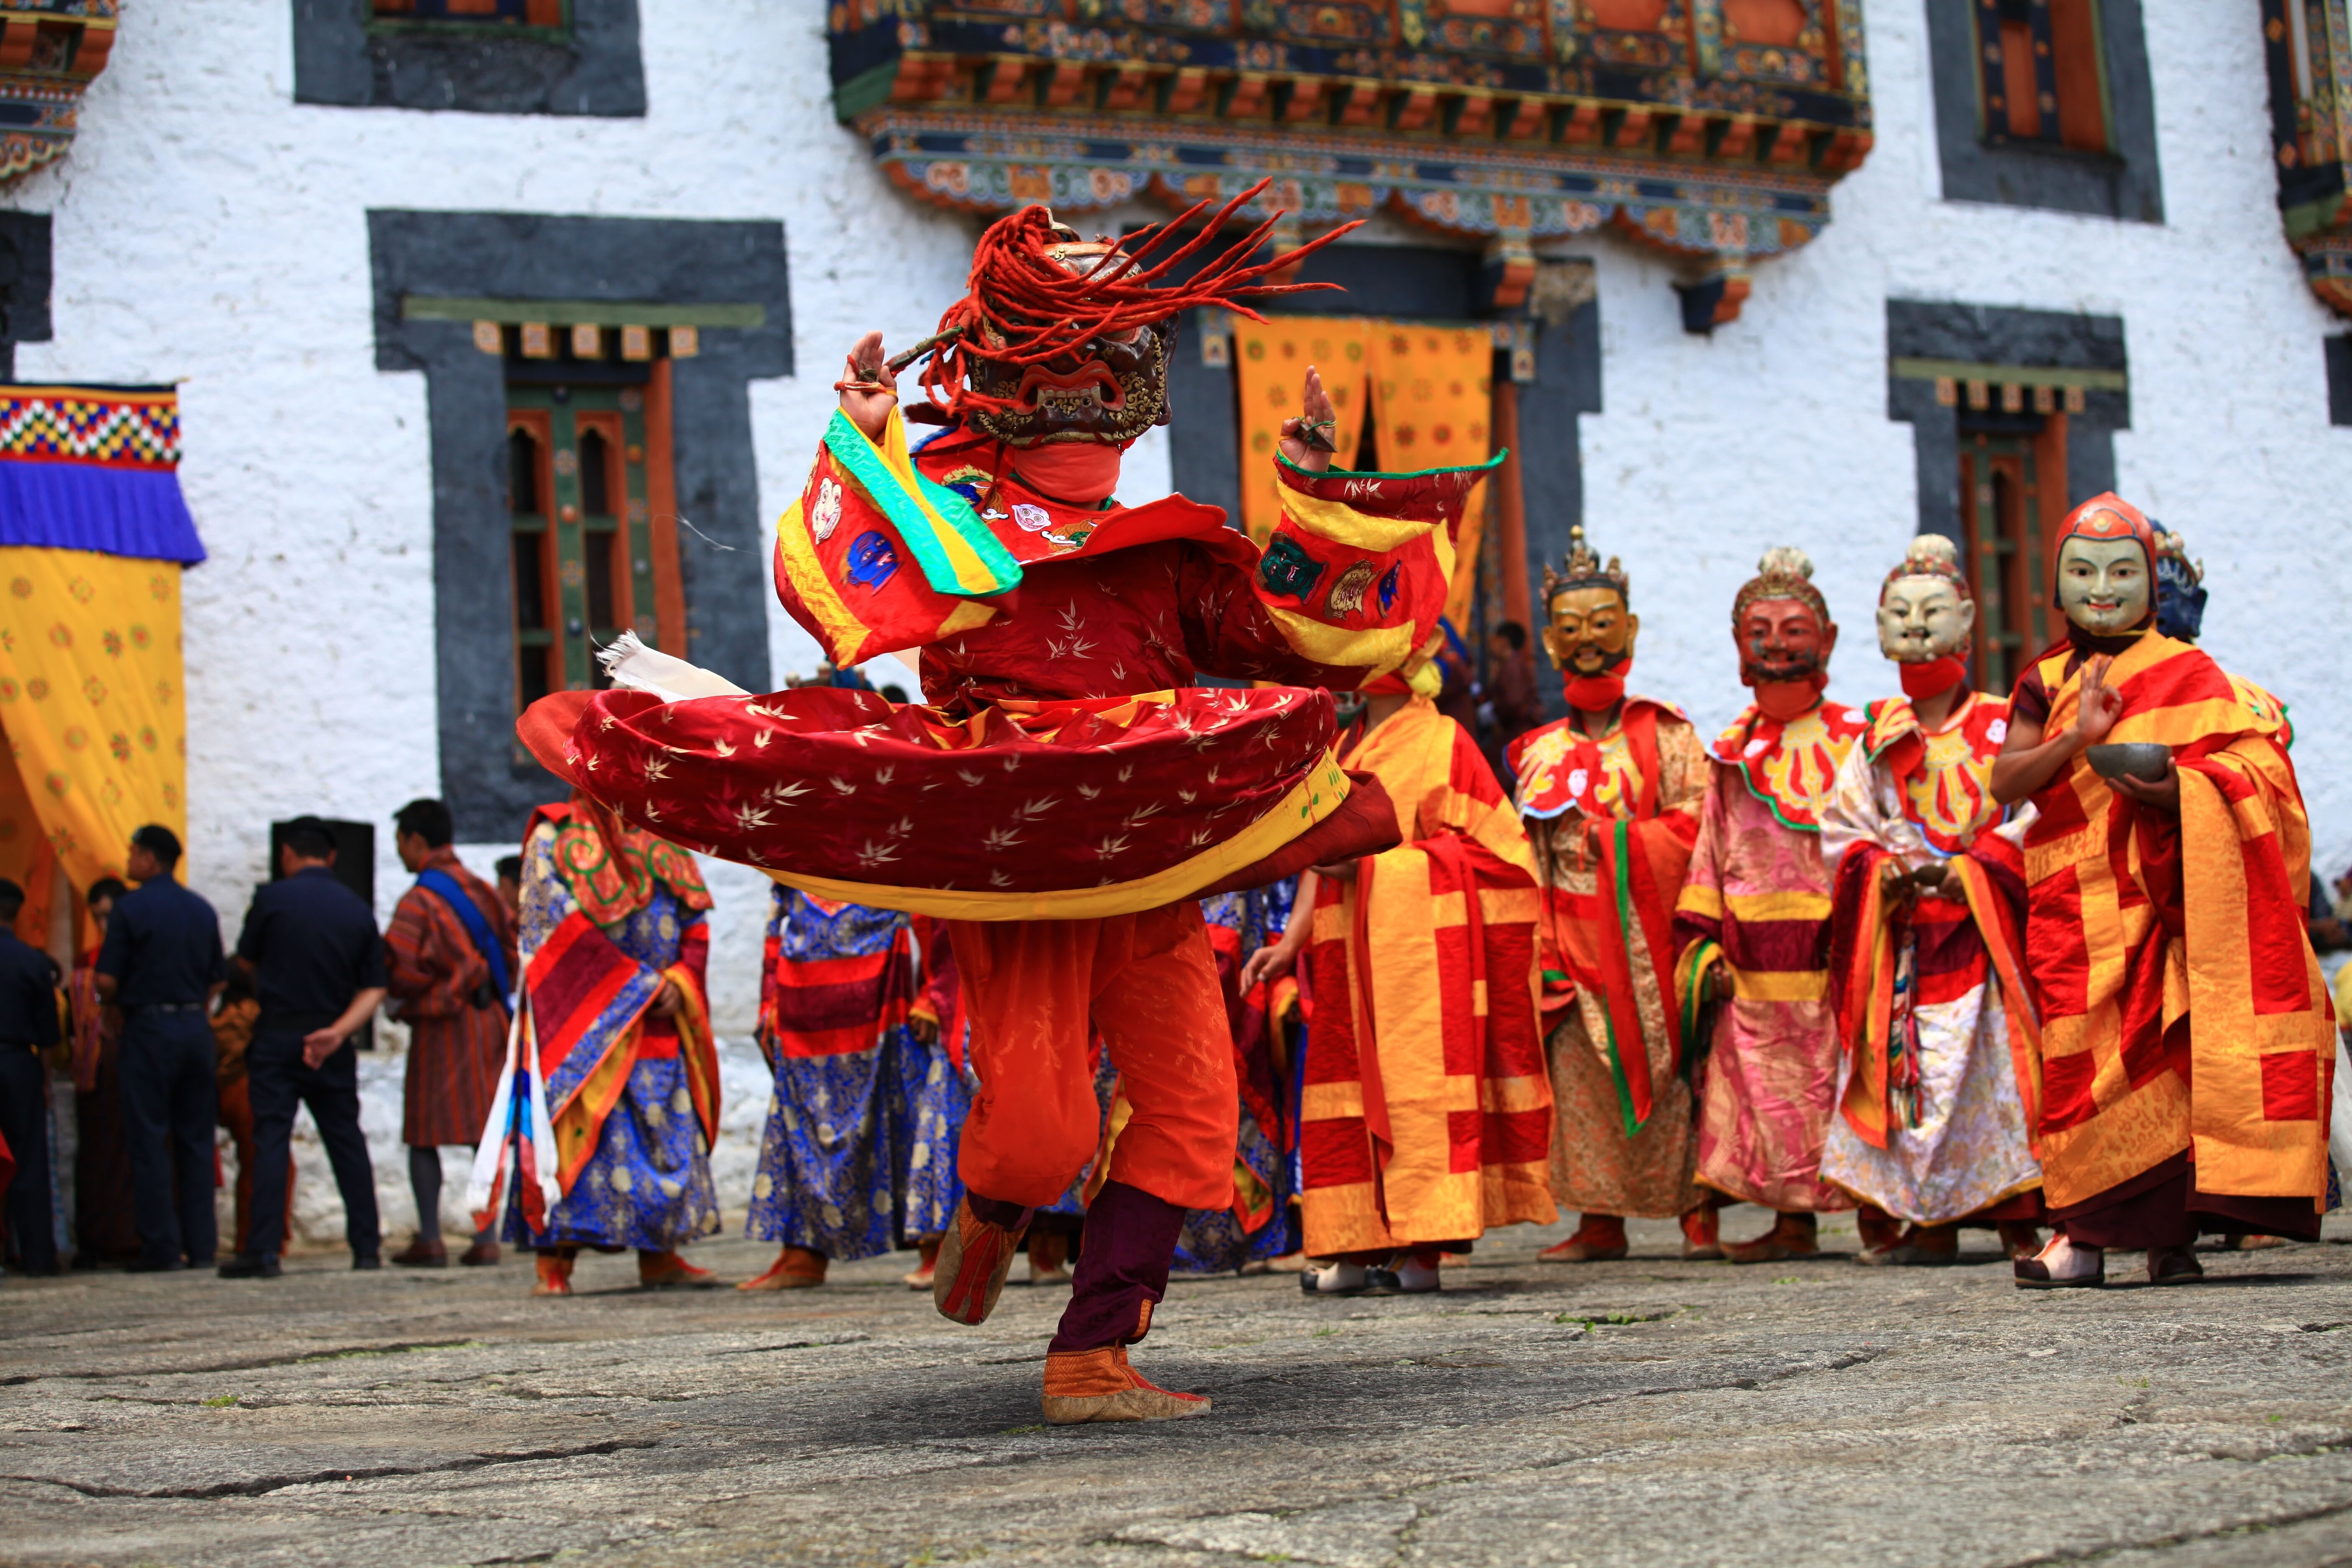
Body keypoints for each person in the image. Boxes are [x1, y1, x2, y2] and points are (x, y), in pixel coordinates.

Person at [513, 191, 1487, 1424]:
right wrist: (866, 440)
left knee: (1195, 1112)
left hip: (1148, 839)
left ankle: (1091, 1358)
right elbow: (872, 600)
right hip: (1018, 831)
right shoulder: (952, 511)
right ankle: (990, 1209)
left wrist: (1317, 491)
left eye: (1112, 323)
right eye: (1080, 318)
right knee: (1036, 1131)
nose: (1100, 353)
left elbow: (1296, 635)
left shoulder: (1169, 544)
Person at [1991, 495, 2332, 1287]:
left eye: (2121, 571)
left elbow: (2262, 775)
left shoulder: (2189, 671)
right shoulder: (2044, 678)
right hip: (2072, 900)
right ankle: (2079, 1236)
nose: (2100, 588)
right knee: (2078, 1068)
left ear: (2149, 583)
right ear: (2056, 582)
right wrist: (2078, 735)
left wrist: (2183, 789)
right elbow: (2006, 778)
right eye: (2081, 571)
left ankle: (2170, 1242)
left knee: (2176, 1056)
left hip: (2168, 893)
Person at [1245, 673, 1553, 1295]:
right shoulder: (1344, 745)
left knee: (1419, 1100)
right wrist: (1293, 939)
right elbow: (1321, 855)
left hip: (1420, 964)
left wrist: (1375, 868)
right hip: (1344, 955)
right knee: (1346, 1097)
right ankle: (1354, 1252)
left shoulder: (1444, 740)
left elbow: (1501, 860)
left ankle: (1422, 1255)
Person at [1818, 535, 2044, 1265]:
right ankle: (1930, 1216)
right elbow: (1843, 826)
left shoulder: (2002, 720)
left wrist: (1977, 865)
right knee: (1912, 1077)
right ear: (1880, 629)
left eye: (1933, 610)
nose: (1916, 626)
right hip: (1910, 942)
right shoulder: (1876, 736)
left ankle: (2016, 1213)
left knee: (1997, 1077)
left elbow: (2037, 813)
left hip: (1988, 934)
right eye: (1900, 613)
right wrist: (1881, 868)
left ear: (1969, 620)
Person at [1505, 527, 1716, 1264]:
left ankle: (1695, 1213)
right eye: (1570, 629)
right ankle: (1599, 1219)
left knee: (1673, 1073)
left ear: (1629, 629)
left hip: (1647, 929)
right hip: (1565, 930)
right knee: (1579, 1079)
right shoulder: (1537, 750)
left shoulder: (1669, 733)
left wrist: (1615, 842)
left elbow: (1698, 826)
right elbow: (1521, 852)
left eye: (1602, 624)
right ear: (1550, 641)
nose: (1587, 641)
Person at [1672, 548, 1867, 1263]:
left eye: (1793, 629)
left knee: (1848, 1082)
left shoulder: (1861, 740)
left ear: (1830, 640)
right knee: (1769, 1095)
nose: (1777, 645)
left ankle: (1886, 1216)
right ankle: (1791, 1223)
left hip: (1840, 948)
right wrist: (1706, 946)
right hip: (1753, 962)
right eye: (1760, 630)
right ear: (1737, 645)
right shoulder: (1730, 751)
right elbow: (1710, 848)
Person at [486, 791, 721, 1296]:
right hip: (584, 1022)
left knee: (664, 1134)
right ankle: (554, 1264)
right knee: (575, 1136)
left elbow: (694, 923)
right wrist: (635, 988)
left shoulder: (663, 832)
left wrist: (679, 981)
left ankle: (661, 1254)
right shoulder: (553, 835)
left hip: (661, 1017)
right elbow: (551, 929)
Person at [220, 817, 389, 1278]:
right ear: (331, 857)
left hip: (278, 1034)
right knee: (346, 1140)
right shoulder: (355, 908)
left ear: (288, 855)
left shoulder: (272, 900)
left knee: (270, 1140)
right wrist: (337, 1033)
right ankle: (367, 1247)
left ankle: (264, 1251)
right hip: (331, 1037)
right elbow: (375, 987)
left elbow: (247, 961)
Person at [740, 887, 914, 1291]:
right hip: (802, 996)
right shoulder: (791, 845)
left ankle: (932, 1248)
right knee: (798, 1118)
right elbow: (778, 918)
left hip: (885, 990)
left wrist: (932, 990)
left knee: (903, 1101)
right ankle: (801, 1253)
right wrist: (769, 1000)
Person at [385, 798, 515, 1268]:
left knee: (424, 1131)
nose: (400, 852)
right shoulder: (482, 890)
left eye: (401, 842)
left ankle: (432, 1238)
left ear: (416, 842)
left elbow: (400, 966)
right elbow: (512, 947)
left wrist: (417, 996)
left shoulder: (419, 900)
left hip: (442, 1027)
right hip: (490, 1024)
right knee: (483, 1131)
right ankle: (486, 1237)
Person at [95, 824, 225, 1272]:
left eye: (134, 853)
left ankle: (162, 1247)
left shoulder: (130, 909)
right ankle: (203, 1246)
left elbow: (107, 979)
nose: (129, 861)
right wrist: (193, 1006)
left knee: (149, 1138)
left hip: (149, 1029)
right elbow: (218, 976)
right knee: (195, 1138)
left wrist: (110, 1004)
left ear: (151, 860)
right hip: (193, 1027)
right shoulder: (201, 909)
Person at [68, 876, 139, 1266]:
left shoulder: (137, 958)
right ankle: (99, 1238)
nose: (105, 928)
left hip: (132, 1059)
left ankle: (133, 1234)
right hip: (97, 1066)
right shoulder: (86, 962)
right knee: (99, 1151)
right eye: (98, 919)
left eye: (110, 918)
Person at [899, 913, 972, 1290]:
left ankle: (1047, 1249)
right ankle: (946, 1249)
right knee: (951, 1122)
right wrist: (931, 993)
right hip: (960, 995)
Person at [0, 878, 62, 1274]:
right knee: (29, 1159)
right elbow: (49, 1035)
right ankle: (38, 1255)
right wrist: (45, 1080)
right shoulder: (34, 962)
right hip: (19, 1062)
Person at [209, 970, 290, 1256]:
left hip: (227, 1089)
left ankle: (256, 1237)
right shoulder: (249, 1013)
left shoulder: (221, 1016)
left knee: (254, 1162)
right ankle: (259, 1238)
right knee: (264, 1162)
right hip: (247, 1090)